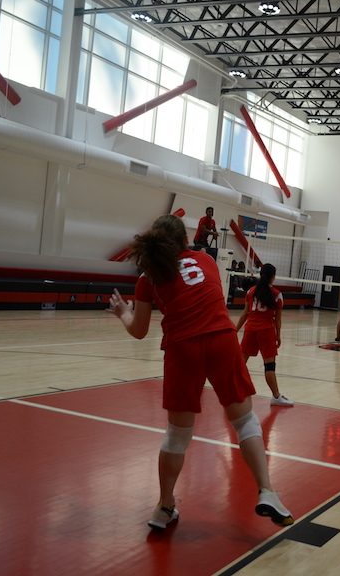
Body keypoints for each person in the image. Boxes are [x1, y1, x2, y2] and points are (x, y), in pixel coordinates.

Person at [107, 214, 293, 530]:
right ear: (185, 240)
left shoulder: (148, 276)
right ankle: (267, 491)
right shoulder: (205, 259)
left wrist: (123, 313)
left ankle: (164, 507)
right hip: (221, 339)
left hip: (182, 348)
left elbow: (139, 331)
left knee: (177, 436)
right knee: (245, 421)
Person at [235, 263, 294, 407]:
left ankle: (233, 392)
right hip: (266, 332)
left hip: (250, 330)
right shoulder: (277, 294)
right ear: (273, 277)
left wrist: (234, 331)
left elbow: (244, 314)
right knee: (269, 366)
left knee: (241, 363)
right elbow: (278, 320)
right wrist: (278, 336)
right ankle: (276, 396)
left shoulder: (250, 291)